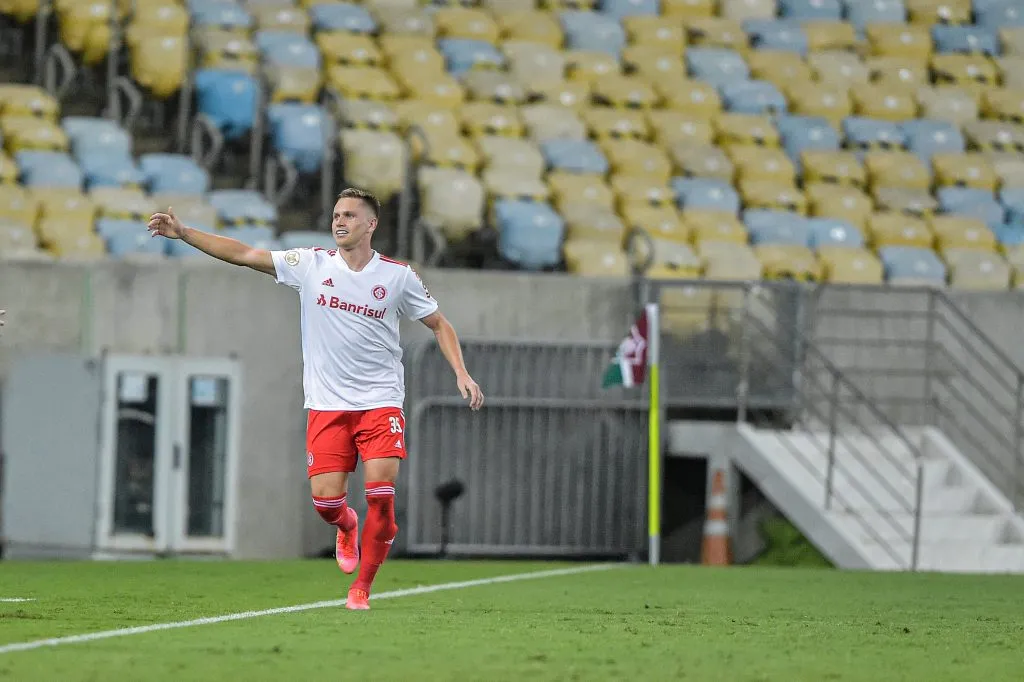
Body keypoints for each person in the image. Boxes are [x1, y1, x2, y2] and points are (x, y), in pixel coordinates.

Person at [146, 188, 484, 610]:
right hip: (326, 405)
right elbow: (245, 254)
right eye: (336, 214)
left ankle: (361, 588)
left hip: (380, 402)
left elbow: (439, 323)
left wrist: (461, 372)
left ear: (371, 224)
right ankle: (345, 526)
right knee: (326, 503)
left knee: (382, 493)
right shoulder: (310, 264)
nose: (339, 221)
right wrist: (185, 234)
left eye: (349, 215)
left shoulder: (397, 276)